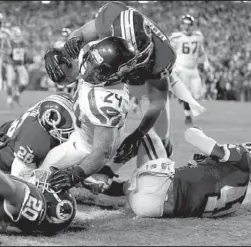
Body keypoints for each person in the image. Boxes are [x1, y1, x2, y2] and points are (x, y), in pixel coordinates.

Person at [44, 1, 206, 162]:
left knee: (159, 135)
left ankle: (161, 146)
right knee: (89, 107)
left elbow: (157, 102)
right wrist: (62, 53)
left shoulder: (163, 55)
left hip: (143, 77)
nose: (129, 63)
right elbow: (80, 35)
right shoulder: (111, 15)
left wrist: (138, 134)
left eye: (134, 59)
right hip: (107, 60)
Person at [41, 36, 168, 193]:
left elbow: (102, 152)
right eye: (90, 62)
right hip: (79, 135)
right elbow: (70, 60)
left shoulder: (107, 102)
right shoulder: (98, 54)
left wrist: (76, 174)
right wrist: (52, 55)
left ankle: (102, 185)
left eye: (99, 71)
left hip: (85, 151)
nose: (89, 70)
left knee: (42, 183)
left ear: (116, 74)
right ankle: (97, 182)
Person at [95, 127, 251, 218]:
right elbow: (201, 184)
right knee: (136, 183)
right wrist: (201, 164)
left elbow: (192, 136)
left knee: (147, 135)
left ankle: (102, 170)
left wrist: (196, 129)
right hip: (152, 209)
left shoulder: (243, 157)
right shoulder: (237, 201)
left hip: (159, 189)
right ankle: (96, 183)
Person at [0, 92, 76, 182]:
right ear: (49, 122)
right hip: (4, 163)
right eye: (67, 132)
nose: (72, 133)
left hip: (10, 136)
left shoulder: (49, 109)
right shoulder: (35, 139)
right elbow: (22, 182)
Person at [169, 14, 211, 125]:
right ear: (181, 25)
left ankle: (180, 97)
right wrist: (173, 67)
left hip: (194, 69)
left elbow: (201, 52)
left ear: (192, 25)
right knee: (187, 94)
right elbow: (169, 53)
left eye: (189, 24)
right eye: (184, 24)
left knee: (198, 94)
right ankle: (188, 116)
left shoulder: (198, 36)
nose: (186, 27)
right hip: (181, 68)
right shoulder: (175, 37)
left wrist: (206, 62)